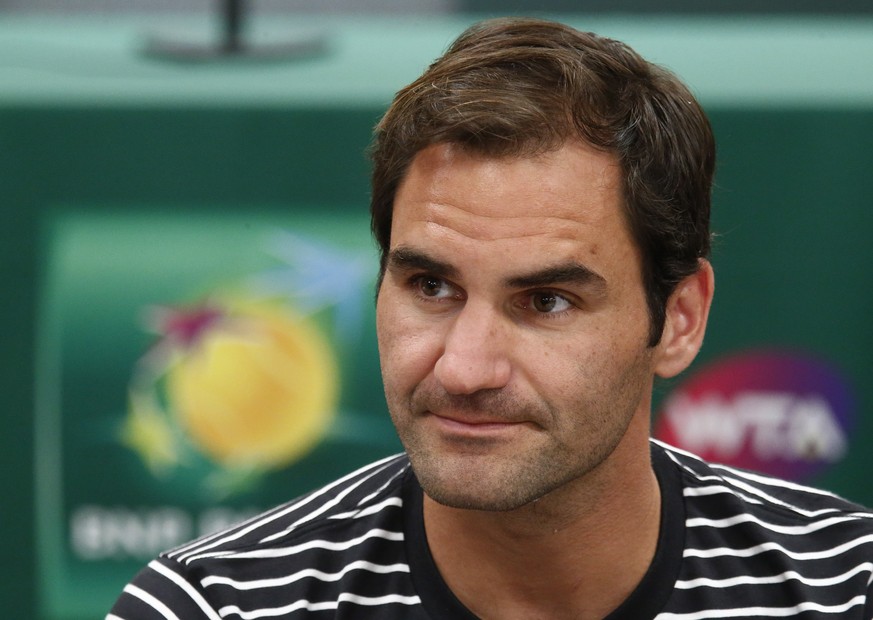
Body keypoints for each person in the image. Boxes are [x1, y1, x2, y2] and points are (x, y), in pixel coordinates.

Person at [108, 17, 873, 620]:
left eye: (546, 302)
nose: (464, 369)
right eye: (431, 287)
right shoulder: (211, 609)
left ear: (677, 319)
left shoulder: (848, 590)